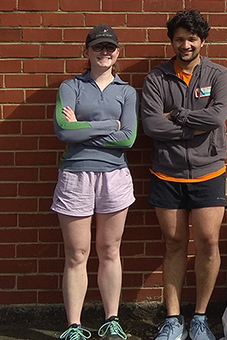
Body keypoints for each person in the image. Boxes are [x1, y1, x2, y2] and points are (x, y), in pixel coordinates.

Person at [140, 9, 227, 340]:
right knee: (175, 242)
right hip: (167, 173)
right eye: (179, 39)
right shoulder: (156, 79)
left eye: (192, 38)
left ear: (202, 41)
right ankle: (173, 319)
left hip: (209, 172)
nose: (185, 45)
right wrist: (193, 127)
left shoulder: (219, 75)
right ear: (172, 42)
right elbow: (151, 124)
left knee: (208, 241)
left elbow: (217, 117)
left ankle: (201, 317)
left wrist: (177, 115)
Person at [52, 23, 137, 340]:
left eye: (110, 47)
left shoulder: (126, 92)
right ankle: (74, 326)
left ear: (117, 53)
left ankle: (111, 320)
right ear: (86, 51)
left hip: (115, 177)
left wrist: (83, 130)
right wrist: (108, 124)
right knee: (76, 254)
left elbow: (127, 137)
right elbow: (63, 131)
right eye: (98, 47)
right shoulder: (70, 87)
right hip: (75, 175)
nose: (105, 52)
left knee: (109, 250)